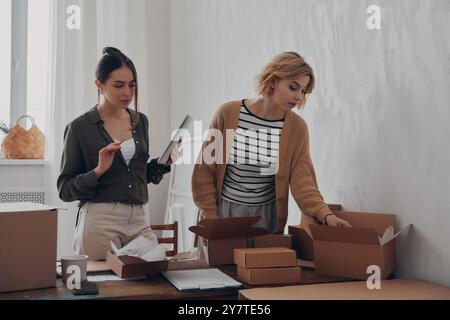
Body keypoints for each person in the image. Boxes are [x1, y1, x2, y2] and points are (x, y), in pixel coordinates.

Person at [192, 51, 351, 234]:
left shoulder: (297, 129)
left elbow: (303, 182)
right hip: (224, 213)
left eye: (303, 91)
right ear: (273, 80)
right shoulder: (227, 114)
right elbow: (204, 170)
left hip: (266, 218)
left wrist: (326, 215)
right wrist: (210, 218)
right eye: (293, 87)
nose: (299, 96)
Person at [57, 47, 181, 260]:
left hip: (140, 218)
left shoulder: (141, 121)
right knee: (101, 288)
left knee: (151, 280)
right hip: (100, 220)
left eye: (132, 85)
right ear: (99, 84)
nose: (128, 93)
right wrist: (98, 171)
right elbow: (65, 190)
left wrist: (163, 163)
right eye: (119, 85)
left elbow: (139, 174)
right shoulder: (79, 127)